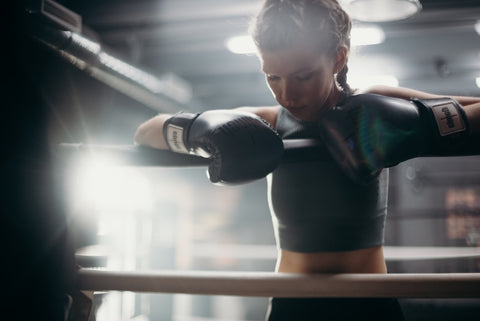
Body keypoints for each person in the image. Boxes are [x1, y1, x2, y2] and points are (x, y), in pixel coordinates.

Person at [134, 0, 480, 320]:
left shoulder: (374, 105)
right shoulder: (266, 122)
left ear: (338, 59)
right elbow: (146, 132)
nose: (287, 93)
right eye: (273, 77)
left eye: (303, 76)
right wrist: (199, 130)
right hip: (292, 303)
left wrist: (417, 126)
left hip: (369, 301)